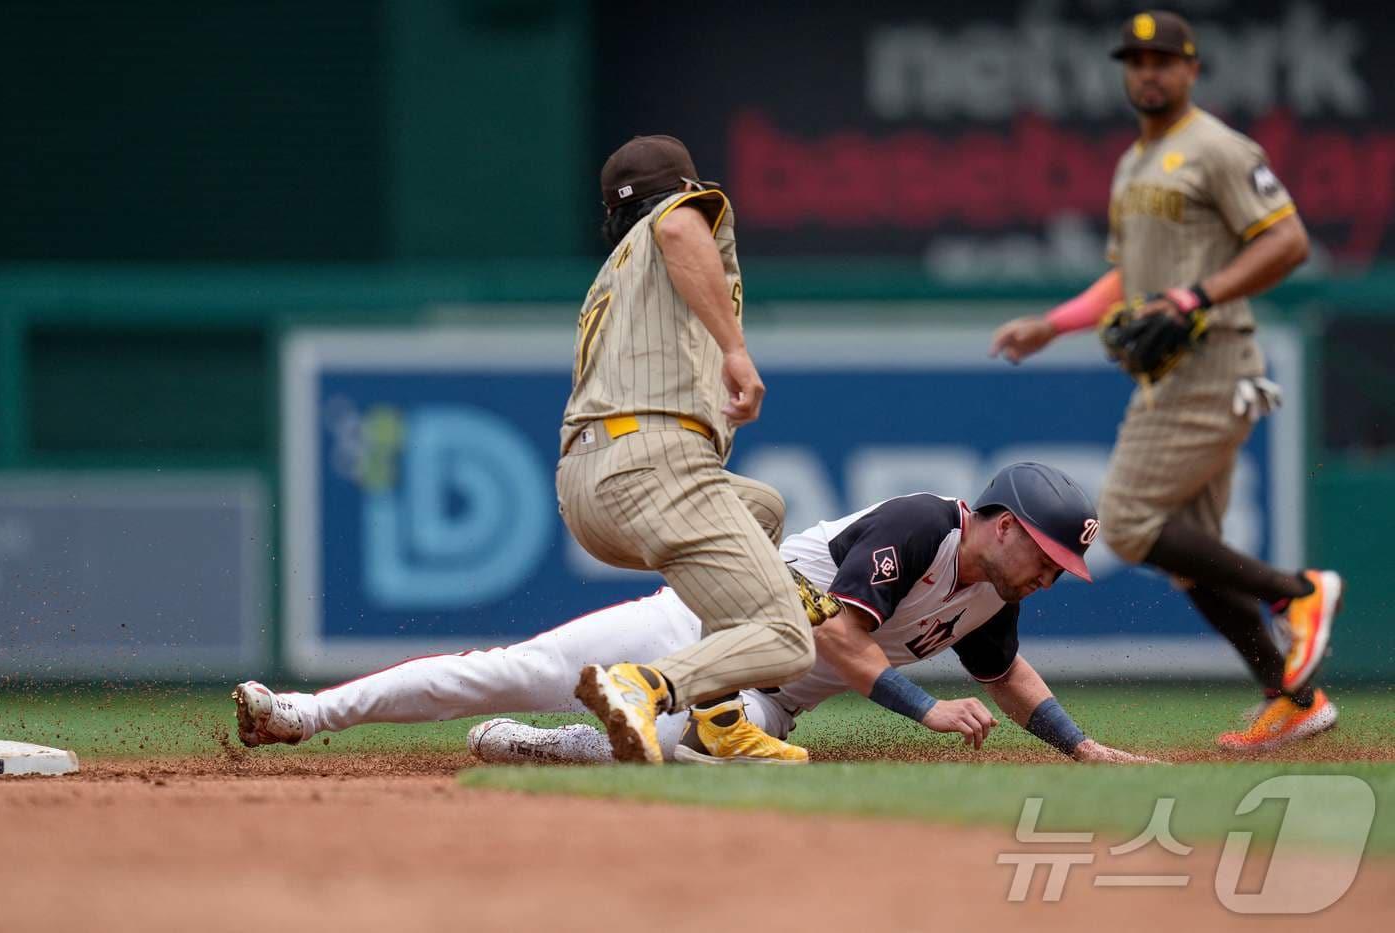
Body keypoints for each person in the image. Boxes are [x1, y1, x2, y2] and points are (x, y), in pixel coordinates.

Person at [233, 463, 1152, 765]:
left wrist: (1078, 745)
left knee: (709, 755)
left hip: (767, 703)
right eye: (1046, 551)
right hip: (695, 632)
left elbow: (1004, 675)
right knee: (504, 668)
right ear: (997, 521)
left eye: (1064, 562)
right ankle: (300, 714)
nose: (1053, 571)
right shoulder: (922, 524)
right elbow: (838, 633)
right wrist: (924, 707)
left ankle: (541, 745)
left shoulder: (995, 587)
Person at [988, 10, 1339, 751]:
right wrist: (1054, 323)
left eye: (1163, 59)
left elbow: (1289, 240)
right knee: (1191, 558)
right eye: (1136, 59)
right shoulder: (1133, 164)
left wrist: (1196, 296)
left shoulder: (1217, 148)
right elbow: (1131, 276)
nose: (1148, 71)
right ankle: (1294, 696)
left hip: (1212, 362)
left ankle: (1297, 594)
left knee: (1127, 522)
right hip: (1170, 372)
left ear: (1192, 70)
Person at [551, 134, 823, 765]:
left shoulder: (611, 273)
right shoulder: (677, 218)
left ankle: (721, 721)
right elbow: (679, 227)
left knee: (762, 509)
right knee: (785, 638)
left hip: (588, 484)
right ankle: (644, 684)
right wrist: (734, 349)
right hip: (653, 461)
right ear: (682, 188)